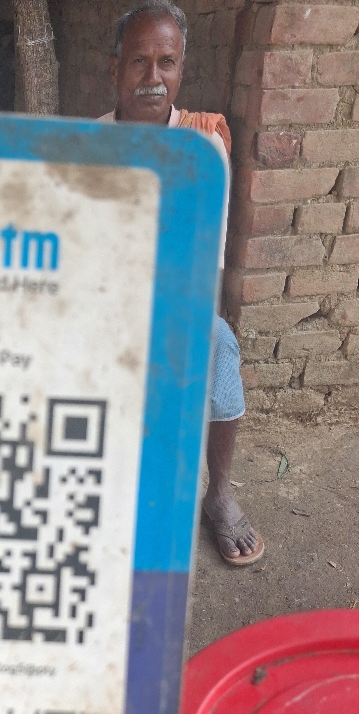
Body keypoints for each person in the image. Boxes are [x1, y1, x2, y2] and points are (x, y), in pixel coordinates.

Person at [101, 0, 264, 566]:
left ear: (181, 68)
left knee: (217, 343)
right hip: (105, 303)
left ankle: (217, 493)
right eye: (139, 61)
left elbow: (204, 263)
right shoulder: (90, 145)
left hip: (177, 302)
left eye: (166, 61)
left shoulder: (202, 147)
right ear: (115, 68)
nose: (152, 76)